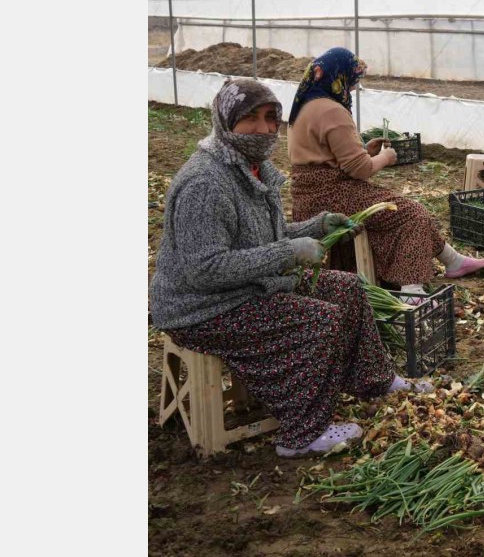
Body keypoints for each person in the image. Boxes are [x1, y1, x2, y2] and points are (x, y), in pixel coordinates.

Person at [150, 79, 426, 459]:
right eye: (250, 118)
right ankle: (301, 433)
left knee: (347, 288)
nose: (264, 129)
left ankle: (373, 379)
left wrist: (316, 226)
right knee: (317, 319)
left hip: (246, 287)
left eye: (270, 118)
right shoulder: (205, 183)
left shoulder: (251, 168)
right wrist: (287, 252)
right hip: (201, 308)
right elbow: (205, 269)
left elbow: (265, 235)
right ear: (224, 121)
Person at [287, 47, 484, 297]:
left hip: (307, 195)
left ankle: (453, 260)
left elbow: (326, 156)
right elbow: (359, 170)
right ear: (339, 76)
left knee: (400, 207)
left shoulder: (305, 105)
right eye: (352, 79)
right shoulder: (331, 110)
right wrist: (385, 157)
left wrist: (364, 151)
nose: (353, 87)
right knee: (411, 213)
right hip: (332, 195)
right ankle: (412, 292)